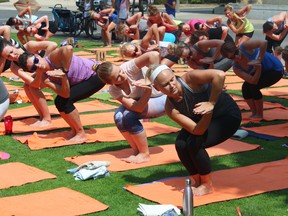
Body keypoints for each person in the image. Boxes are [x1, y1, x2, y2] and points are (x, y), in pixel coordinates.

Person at [145, 64, 241, 196]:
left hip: (228, 116)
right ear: (157, 88)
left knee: (194, 143)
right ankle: (198, 181)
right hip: (204, 120)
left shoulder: (190, 79)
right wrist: (208, 113)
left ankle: (207, 185)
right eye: (165, 84)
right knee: (181, 144)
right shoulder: (170, 108)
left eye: (172, 80)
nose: (171, 85)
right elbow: (197, 130)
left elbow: (220, 74)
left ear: (174, 74)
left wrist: (211, 103)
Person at [17, 46, 105, 142]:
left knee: (65, 102)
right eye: (33, 67)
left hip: (97, 75)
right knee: (59, 101)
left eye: (36, 61)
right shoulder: (44, 78)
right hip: (83, 79)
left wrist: (64, 70)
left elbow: (68, 48)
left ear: (37, 56)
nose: (37, 66)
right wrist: (61, 78)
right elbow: (64, 93)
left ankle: (81, 133)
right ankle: (75, 130)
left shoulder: (53, 58)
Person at [94, 51, 166, 163]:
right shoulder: (114, 90)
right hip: (146, 99)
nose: (122, 75)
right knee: (118, 116)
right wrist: (147, 92)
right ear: (110, 83)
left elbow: (154, 55)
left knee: (128, 116)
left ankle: (145, 153)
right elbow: (137, 108)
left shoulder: (128, 68)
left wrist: (149, 81)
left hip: (163, 96)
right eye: (117, 77)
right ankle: (137, 151)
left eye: (120, 71)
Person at [0, 38, 58, 127]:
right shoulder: (14, 67)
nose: (13, 56)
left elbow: (53, 44)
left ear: (13, 46)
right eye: (8, 56)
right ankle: (42, 116)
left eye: (11, 51)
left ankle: (47, 119)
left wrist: (42, 61)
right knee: (27, 86)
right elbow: (32, 82)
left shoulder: (29, 46)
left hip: (55, 65)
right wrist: (39, 72)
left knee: (32, 88)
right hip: (45, 72)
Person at [220, 39, 283, 119]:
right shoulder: (236, 68)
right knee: (246, 88)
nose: (236, 57)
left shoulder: (245, 47)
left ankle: (259, 114)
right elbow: (253, 81)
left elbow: (264, 42)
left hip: (275, 70)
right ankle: (254, 112)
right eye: (232, 57)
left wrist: (259, 60)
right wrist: (258, 69)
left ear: (237, 49)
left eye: (236, 53)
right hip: (261, 71)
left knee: (254, 88)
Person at [166, 39, 233, 72]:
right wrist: (210, 63)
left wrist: (212, 58)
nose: (191, 57)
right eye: (188, 57)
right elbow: (206, 73)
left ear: (189, 46)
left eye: (190, 54)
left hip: (228, 57)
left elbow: (221, 43)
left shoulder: (200, 45)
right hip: (214, 67)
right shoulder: (190, 62)